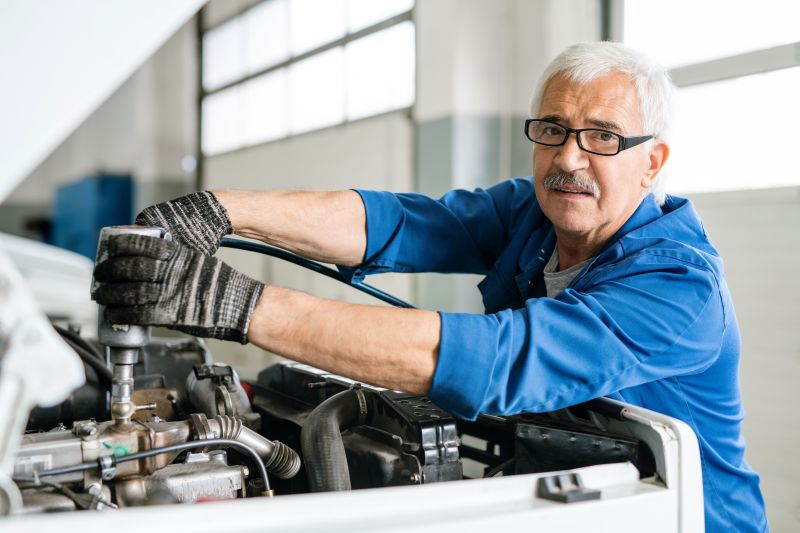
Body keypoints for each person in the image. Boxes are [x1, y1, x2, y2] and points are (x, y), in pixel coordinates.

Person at [92, 42, 767, 532]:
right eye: (554, 130)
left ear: (654, 161)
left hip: (680, 518)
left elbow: (501, 358)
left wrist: (241, 307)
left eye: (602, 137)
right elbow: (403, 224)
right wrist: (223, 208)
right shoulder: (531, 214)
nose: (568, 157)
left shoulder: (681, 288)